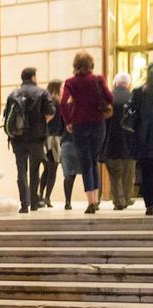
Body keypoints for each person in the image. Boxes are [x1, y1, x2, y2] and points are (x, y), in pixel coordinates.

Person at [61, 51, 113, 214]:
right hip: (98, 124)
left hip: (79, 125)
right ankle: (95, 199)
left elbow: (63, 103)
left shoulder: (70, 82)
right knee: (94, 160)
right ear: (91, 64)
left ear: (75, 65)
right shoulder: (98, 79)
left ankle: (90, 201)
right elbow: (110, 98)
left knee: (85, 162)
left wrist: (68, 121)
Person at [4, 68, 55, 213]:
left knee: (21, 170)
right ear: (33, 77)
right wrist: (40, 122)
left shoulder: (13, 94)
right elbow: (50, 112)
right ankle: (34, 202)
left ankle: (24, 204)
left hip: (17, 138)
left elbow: (7, 115)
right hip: (36, 138)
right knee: (35, 170)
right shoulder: (41, 92)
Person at [100, 72, 136, 210]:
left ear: (115, 83)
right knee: (128, 173)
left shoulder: (108, 97)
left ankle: (118, 200)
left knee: (114, 174)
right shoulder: (133, 97)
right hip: (129, 142)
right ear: (129, 84)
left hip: (110, 141)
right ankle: (126, 198)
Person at [125, 62, 153, 216]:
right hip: (145, 139)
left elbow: (130, 114)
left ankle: (149, 205)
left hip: (144, 140)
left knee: (147, 174)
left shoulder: (138, 92)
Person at [40, 80, 65, 207]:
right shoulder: (58, 102)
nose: (63, 90)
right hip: (54, 138)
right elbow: (63, 122)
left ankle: (40, 195)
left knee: (46, 168)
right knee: (53, 169)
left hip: (44, 138)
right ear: (56, 88)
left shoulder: (45, 100)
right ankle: (47, 197)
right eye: (61, 87)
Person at [60, 129, 82, 210]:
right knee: (88, 173)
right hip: (82, 142)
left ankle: (67, 201)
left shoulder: (64, 115)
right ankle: (92, 201)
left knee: (69, 175)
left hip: (66, 142)